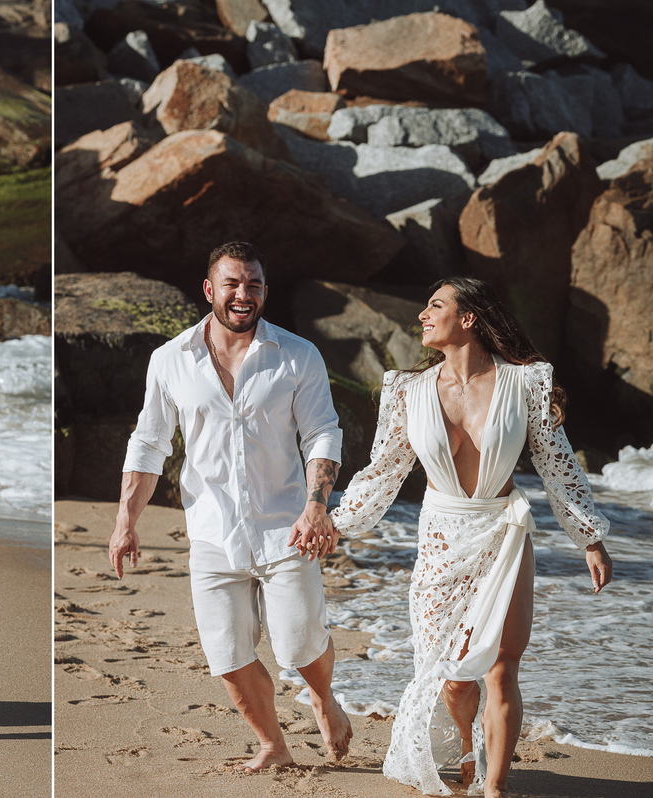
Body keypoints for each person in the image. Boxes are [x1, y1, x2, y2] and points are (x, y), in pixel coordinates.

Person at [330, 277, 613, 797]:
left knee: (502, 668)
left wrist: (589, 538)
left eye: (435, 304)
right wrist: (336, 524)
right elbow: (382, 472)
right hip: (441, 537)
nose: (422, 314)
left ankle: (496, 788)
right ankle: (466, 739)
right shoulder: (406, 391)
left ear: (469, 319)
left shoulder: (525, 383)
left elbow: (557, 465)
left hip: (503, 533)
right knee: (455, 677)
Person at [109, 241, 353, 771]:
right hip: (212, 529)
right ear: (209, 290)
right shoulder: (170, 360)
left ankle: (324, 699)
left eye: (255, 285)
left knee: (299, 644)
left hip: (286, 525)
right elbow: (149, 443)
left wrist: (316, 507)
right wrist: (126, 519)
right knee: (228, 654)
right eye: (234, 284)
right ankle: (274, 744)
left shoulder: (297, 355)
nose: (245, 295)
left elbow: (322, 434)